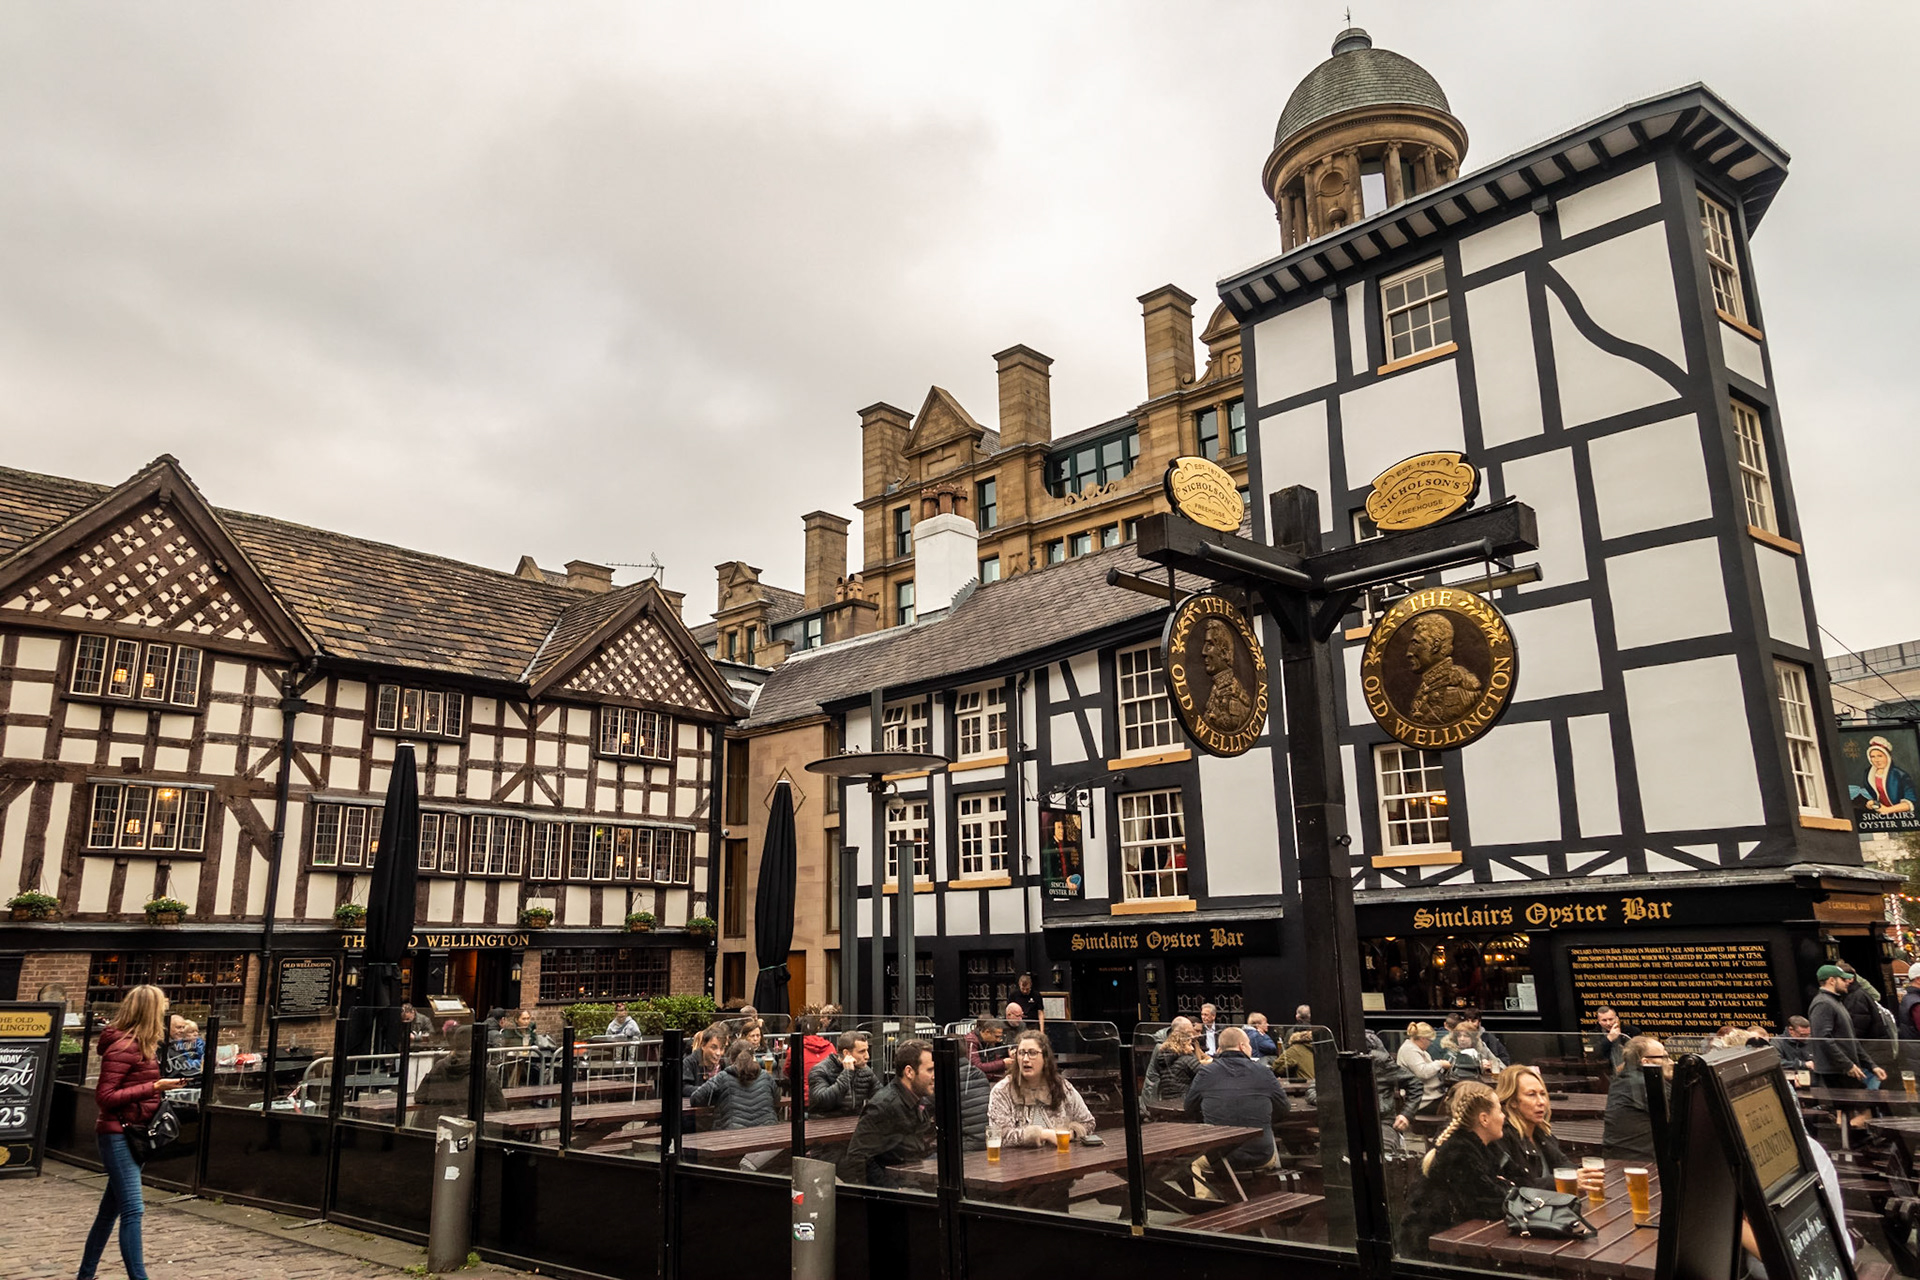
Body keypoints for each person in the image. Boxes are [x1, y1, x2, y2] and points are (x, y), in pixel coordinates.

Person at [76, 984, 184, 1280]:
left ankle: (85, 1275)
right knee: (133, 1211)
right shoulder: (125, 1047)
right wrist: (153, 1087)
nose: (165, 1010)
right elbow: (105, 1097)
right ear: (150, 1011)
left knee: (109, 1212)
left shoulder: (142, 1044)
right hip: (119, 1134)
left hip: (133, 1132)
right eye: (162, 1006)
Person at [1398, 1082, 1510, 1257]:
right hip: (1430, 1254)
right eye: (1500, 1110)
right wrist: (1505, 1187)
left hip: (1448, 1244)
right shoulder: (1459, 1153)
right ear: (1484, 1119)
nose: (1504, 1117)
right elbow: (1491, 1204)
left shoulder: (1476, 1147)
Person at [1184, 1026, 1288, 1197]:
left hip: (1219, 1155)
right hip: (1261, 1154)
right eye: (1249, 1045)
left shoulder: (1206, 1072)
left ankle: (1208, 1209)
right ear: (1241, 1046)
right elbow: (1284, 1109)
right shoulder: (1264, 1072)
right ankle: (1269, 1199)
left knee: (1196, 1164)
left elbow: (1189, 1108)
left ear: (1220, 1048)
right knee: (1272, 1145)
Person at [1493, 1064, 1603, 1195]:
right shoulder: (1502, 1136)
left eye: (1543, 1094)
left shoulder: (1541, 1133)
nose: (1541, 1102)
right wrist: (1563, 1181)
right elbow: (1516, 1186)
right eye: (1531, 1095)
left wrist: (1580, 1175)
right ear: (1512, 1101)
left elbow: (1563, 1163)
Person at [841, 1039, 936, 1187]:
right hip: (897, 1194)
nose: (934, 1076)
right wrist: (893, 1191)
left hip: (912, 1181)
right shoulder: (885, 1106)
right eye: (930, 1070)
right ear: (909, 1072)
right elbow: (857, 1158)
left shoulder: (917, 1099)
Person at [987, 1030, 1095, 1145]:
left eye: (1032, 1053)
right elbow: (999, 1135)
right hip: (1017, 1161)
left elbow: (1088, 1123)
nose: (1025, 1059)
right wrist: (1042, 1135)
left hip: (1060, 1158)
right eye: (1021, 1053)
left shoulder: (1062, 1086)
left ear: (1045, 1057)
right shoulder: (1002, 1090)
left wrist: (1070, 1134)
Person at [1810, 964, 1885, 1127]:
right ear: (1831, 980)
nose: (1848, 982)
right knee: (1864, 1110)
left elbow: (1851, 1040)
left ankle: (1850, 1142)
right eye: (1843, 979)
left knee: (1852, 1111)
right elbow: (1823, 1038)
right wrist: (1847, 1064)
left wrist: (1871, 1065)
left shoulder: (1835, 1002)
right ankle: (1847, 1142)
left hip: (1845, 1068)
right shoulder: (1823, 1004)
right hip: (1836, 1070)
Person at [414, 1024, 506, 1125]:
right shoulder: (486, 1072)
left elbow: (420, 1096)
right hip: (472, 1128)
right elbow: (499, 1105)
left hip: (439, 1125)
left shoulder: (439, 1066)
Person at [1602, 1035, 1669, 1159]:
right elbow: (1681, 1110)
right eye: (1664, 1057)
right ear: (1646, 1062)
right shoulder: (1645, 1084)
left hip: (1618, 1155)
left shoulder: (1622, 1079)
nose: (1669, 1062)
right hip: (1641, 1160)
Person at [690, 1041, 783, 1130]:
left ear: (731, 1060)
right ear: (753, 1058)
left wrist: (717, 1098)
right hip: (767, 1133)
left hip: (733, 1135)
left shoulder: (722, 1077)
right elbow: (777, 1100)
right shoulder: (766, 1076)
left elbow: (695, 1099)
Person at [808, 1031, 877, 1116]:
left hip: (853, 1121)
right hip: (824, 1123)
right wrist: (847, 1073)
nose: (867, 1056)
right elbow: (821, 1102)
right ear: (846, 1053)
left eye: (867, 1050)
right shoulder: (821, 1070)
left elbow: (881, 1097)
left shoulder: (865, 1070)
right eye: (862, 1051)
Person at [1146, 1025, 1206, 1104]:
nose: (1192, 1048)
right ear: (1181, 1045)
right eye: (1189, 1044)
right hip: (1185, 1100)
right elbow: (1206, 1075)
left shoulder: (1162, 1059)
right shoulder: (1187, 1060)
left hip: (1166, 1101)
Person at [1397, 1022, 1448, 1114]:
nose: (1430, 1044)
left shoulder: (1419, 1050)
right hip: (1423, 1100)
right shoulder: (1409, 1051)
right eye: (1430, 1040)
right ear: (1422, 1038)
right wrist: (1440, 1064)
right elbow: (1423, 1072)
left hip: (1430, 1093)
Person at [797, 1008, 838, 1107]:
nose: (821, 1020)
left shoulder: (796, 1048)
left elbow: (788, 1071)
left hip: (805, 1099)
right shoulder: (830, 1046)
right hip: (830, 1098)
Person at [681, 1024, 728, 1097]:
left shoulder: (725, 1064)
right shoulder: (689, 1063)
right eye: (713, 1048)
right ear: (703, 1045)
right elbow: (683, 1088)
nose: (718, 1053)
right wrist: (707, 1090)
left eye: (721, 1048)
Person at [1588, 1006, 1634, 1071]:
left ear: (1616, 1018)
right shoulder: (1593, 1034)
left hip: (1629, 1069)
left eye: (1611, 1019)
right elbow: (1592, 1055)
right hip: (1606, 1070)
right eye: (1604, 1020)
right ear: (1599, 1021)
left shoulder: (1632, 1031)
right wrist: (1609, 1039)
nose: (1608, 1023)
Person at [163, 1013, 204, 1081]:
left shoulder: (185, 1043)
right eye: (178, 1027)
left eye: (183, 1027)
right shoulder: (165, 1045)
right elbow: (183, 1063)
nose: (182, 1030)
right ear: (168, 1027)